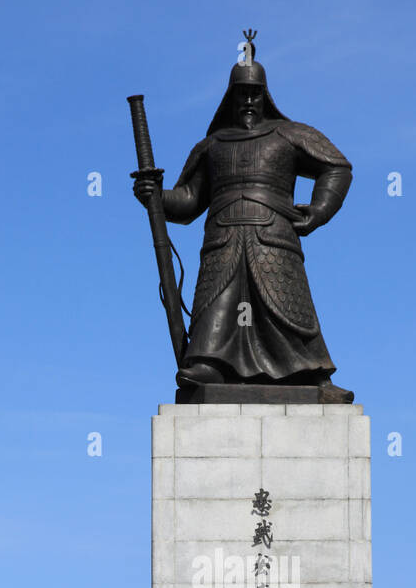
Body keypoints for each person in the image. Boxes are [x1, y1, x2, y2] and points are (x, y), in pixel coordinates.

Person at [133, 34, 352, 395]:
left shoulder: (290, 134)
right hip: (223, 238)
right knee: (217, 308)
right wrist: (155, 196)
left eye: (254, 93)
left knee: (286, 309)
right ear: (230, 98)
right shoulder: (213, 146)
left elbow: (337, 167)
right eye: (241, 94)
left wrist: (319, 210)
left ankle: (311, 374)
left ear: (265, 95)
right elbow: (188, 200)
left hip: (273, 237)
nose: (248, 101)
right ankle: (209, 365)